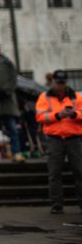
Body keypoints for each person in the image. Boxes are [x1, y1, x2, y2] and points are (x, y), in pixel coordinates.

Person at [36, 70, 82, 214]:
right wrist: (58, 115)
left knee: (80, 172)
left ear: (65, 82)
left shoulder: (76, 97)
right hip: (55, 138)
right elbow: (40, 117)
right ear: (53, 82)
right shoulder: (45, 97)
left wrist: (74, 114)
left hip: (73, 137)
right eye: (58, 83)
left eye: (62, 83)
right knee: (54, 172)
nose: (60, 86)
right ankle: (57, 204)